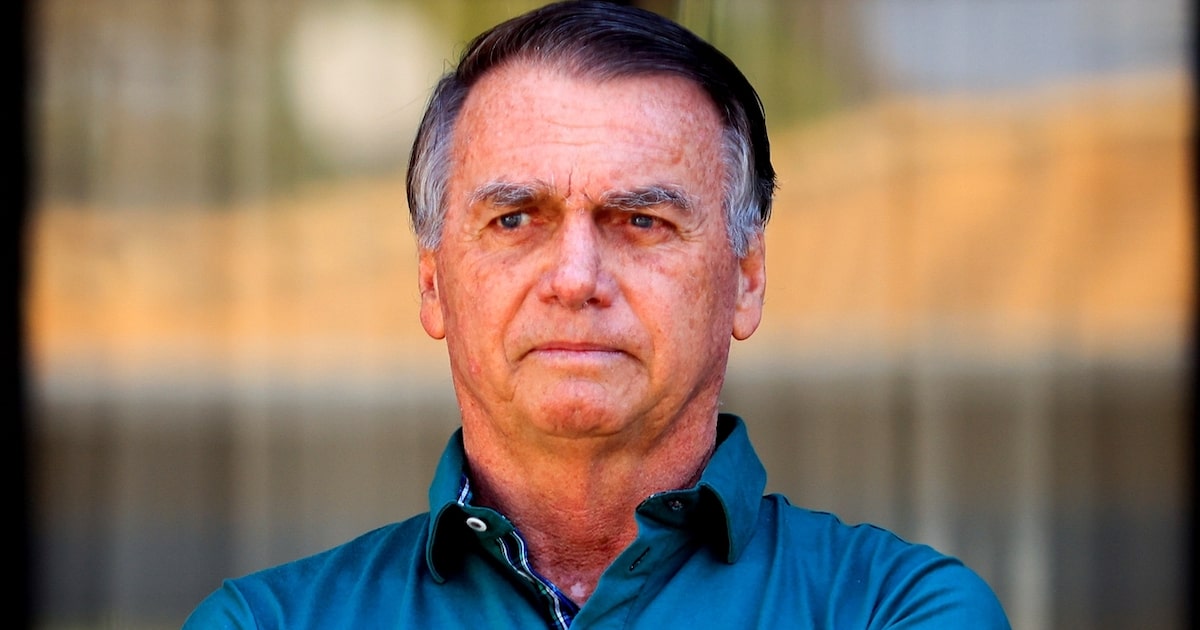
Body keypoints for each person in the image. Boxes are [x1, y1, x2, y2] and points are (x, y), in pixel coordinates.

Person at [184, 1, 1010, 627]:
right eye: (516, 219)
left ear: (746, 278)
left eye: (641, 221)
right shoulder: (266, 623)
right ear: (433, 284)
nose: (575, 279)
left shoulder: (893, 609)